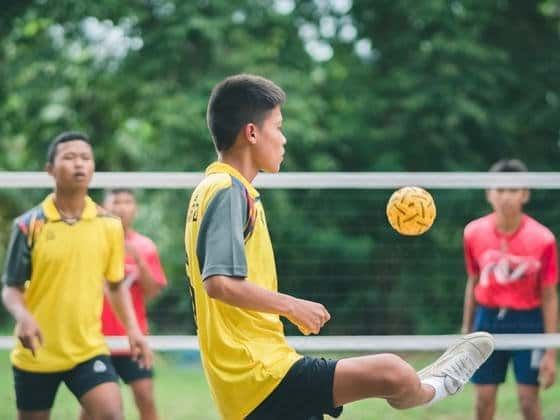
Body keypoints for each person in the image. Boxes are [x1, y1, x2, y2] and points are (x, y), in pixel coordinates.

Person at [184, 74, 495, 420]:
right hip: (257, 373)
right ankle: (438, 385)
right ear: (252, 133)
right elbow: (219, 283)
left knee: (392, 375)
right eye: (278, 127)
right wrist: (292, 306)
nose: (284, 139)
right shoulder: (228, 189)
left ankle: (420, 387)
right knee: (391, 372)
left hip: (252, 378)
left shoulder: (217, 189)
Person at [1, 132, 153, 420]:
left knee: (111, 414)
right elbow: (11, 288)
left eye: (85, 158)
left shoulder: (109, 225)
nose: (79, 164)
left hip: (87, 350)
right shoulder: (28, 225)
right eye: (69, 157)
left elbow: (116, 284)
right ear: (50, 170)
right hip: (37, 353)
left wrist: (133, 330)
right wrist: (24, 317)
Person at [461, 159, 557, 420]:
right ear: (489, 193)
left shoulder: (544, 239)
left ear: (525, 194)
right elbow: (473, 282)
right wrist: (465, 331)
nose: (506, 197)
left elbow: (549, 296)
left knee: (528, 401)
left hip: (529, 323)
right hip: (487, 320)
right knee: (483, 401)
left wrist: (550, 350)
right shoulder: (473, 233)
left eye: (513, 190)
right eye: (499, 189)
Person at [80, 189, 167, 420]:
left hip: (132, 339)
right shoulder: (90, 241)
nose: (121, 207)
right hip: (95, 339)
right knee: (91, 408)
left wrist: (138, 260)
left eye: (127, 201)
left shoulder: (145, 246)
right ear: (104, 206)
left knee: (145, 398)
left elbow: (152, 292)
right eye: (115, 201)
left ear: (135, 208)